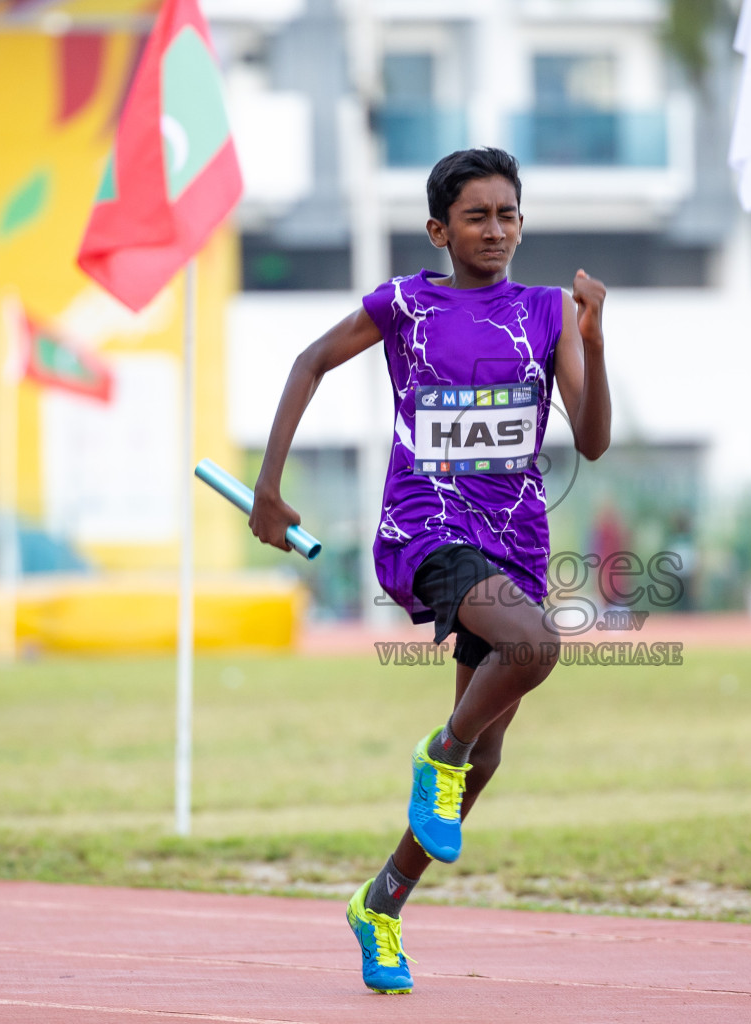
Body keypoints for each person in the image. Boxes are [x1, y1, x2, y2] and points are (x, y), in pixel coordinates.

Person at [248, 148, 611, 994]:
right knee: (534, 649)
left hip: (516, 538)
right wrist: (268, 488)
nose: (497, 230)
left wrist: (596, 340)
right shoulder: (406, 304)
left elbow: (590, 441)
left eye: (509, 215)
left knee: (486, 760)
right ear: (438, 229)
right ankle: (436, 754)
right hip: (426, 526)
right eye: (478, 216)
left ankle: (380, 904)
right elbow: (309, 362)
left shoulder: (550, 311)